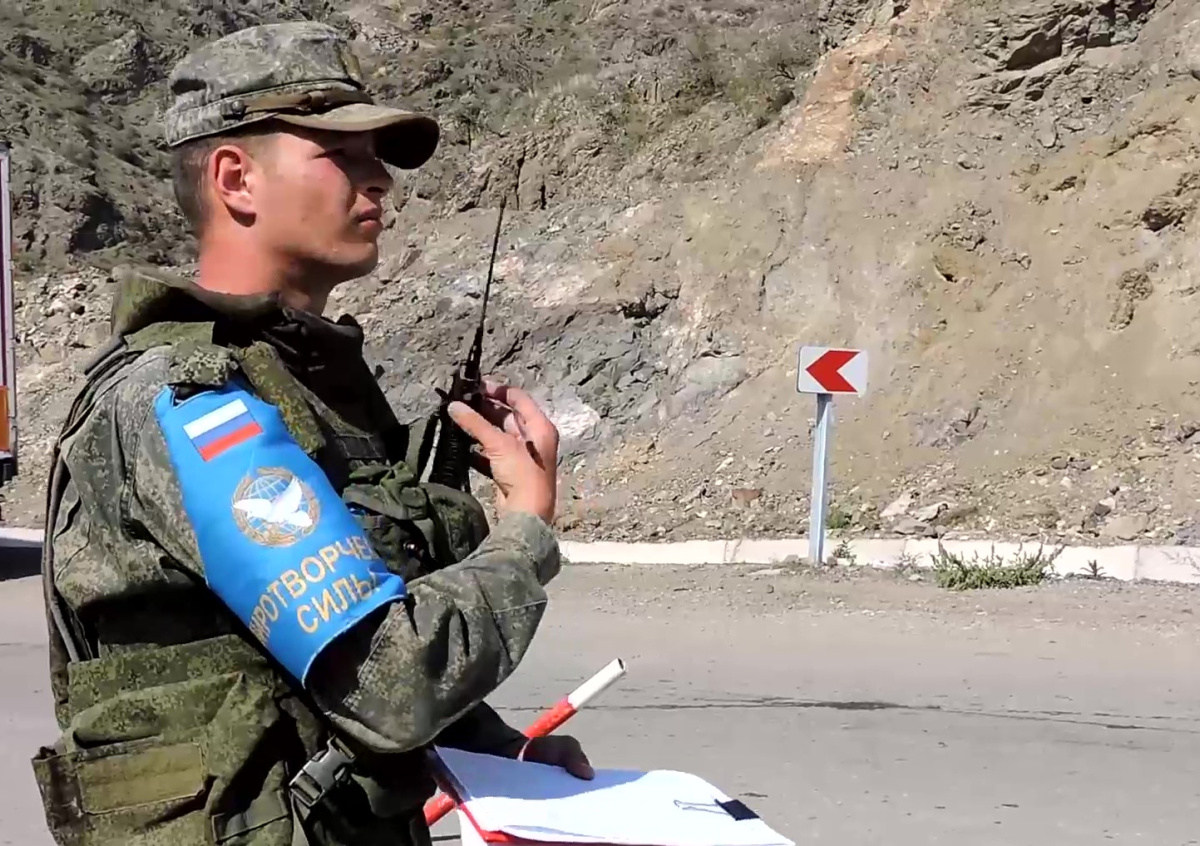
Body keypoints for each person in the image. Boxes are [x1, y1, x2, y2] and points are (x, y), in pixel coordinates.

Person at [31, 20, 590, 846]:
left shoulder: (305, 386)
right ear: (236, 179)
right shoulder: (193, 402)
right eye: (343, 154)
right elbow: (388, 683)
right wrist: (525, 530)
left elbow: (310, 663)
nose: (380, 181)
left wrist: (499, 757)